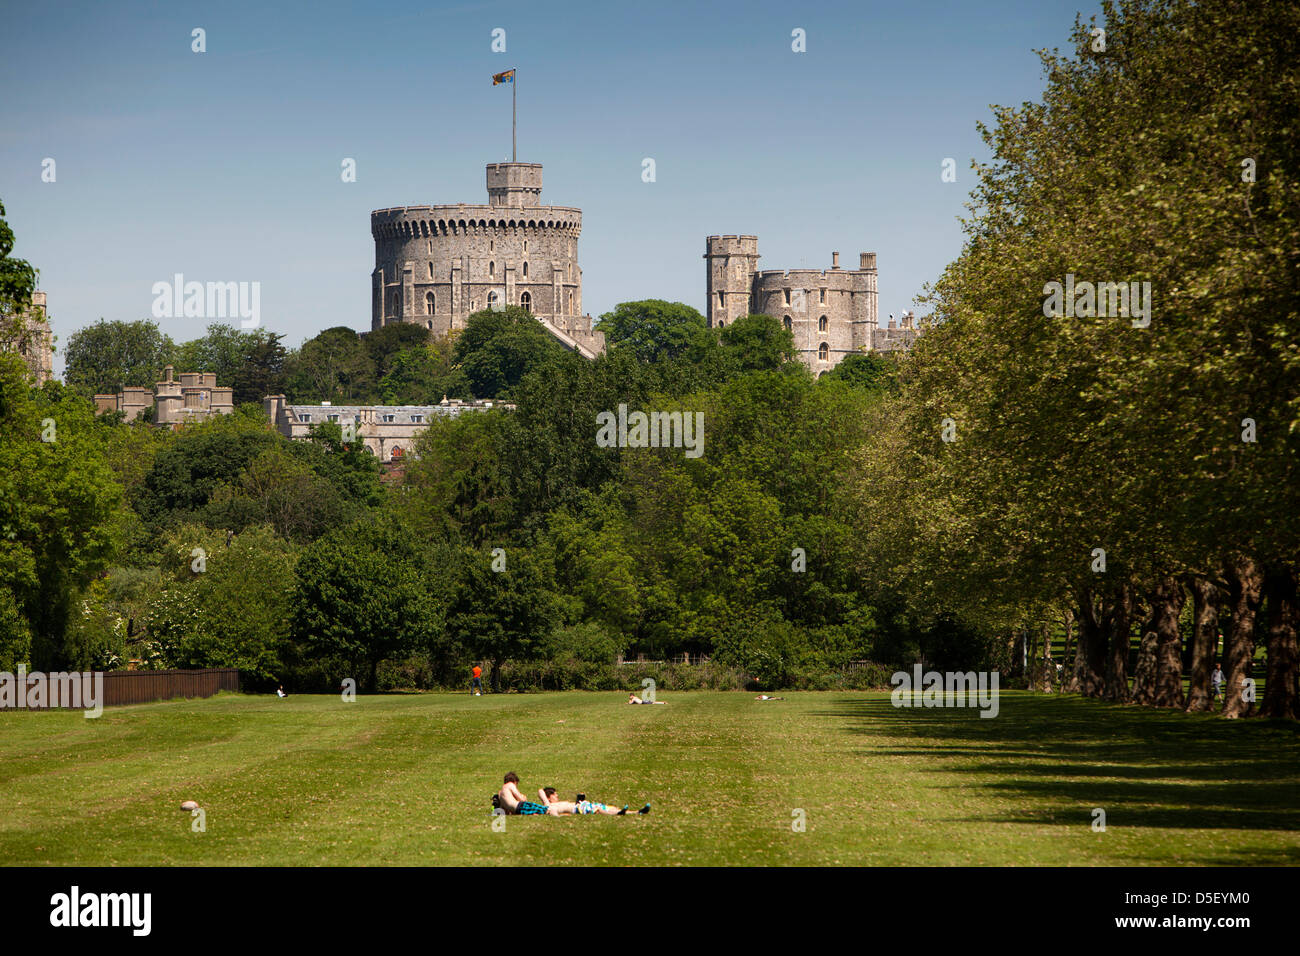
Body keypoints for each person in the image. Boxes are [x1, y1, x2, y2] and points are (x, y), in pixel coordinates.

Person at [539, 786, 650, 816]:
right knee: (599, 810)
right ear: (548, 797)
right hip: (578, 808)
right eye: (554, 794)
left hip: (582, 805)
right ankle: (618, 813)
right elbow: (540, 791)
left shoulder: (554, 804)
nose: (557, 795)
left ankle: (637, 812)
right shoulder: (548, 805)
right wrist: (546, 800)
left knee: (608, 808)